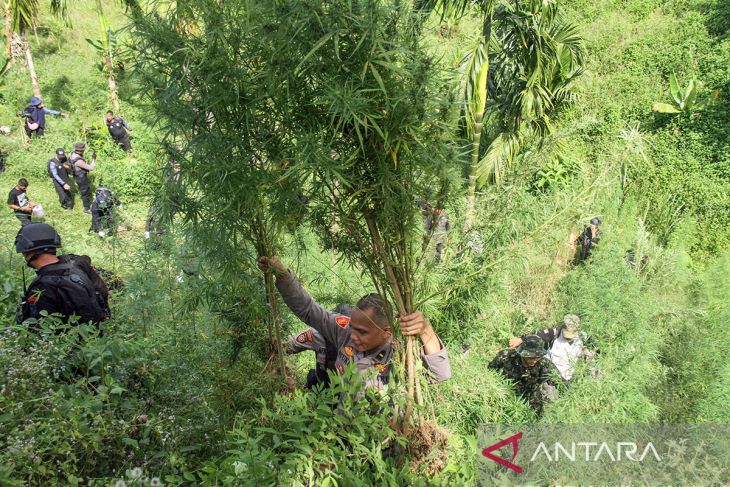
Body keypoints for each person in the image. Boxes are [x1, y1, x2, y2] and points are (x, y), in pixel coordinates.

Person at [258, 256, 451, 393]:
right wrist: (283, 275)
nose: (353, 336)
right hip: (341, 429)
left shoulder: (399, 354)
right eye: (352, 327)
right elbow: (309, 309)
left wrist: (426, 332)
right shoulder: (344, 330)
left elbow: (439, 375)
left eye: (362, 332)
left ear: (386, 332)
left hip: (378, 444)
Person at [15, 223, 109, 328]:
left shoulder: (41, 287)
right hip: (95, 332)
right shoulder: (77, 262)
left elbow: (40, 328)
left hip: (70, 341)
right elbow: (102, 291)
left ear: (27, 252)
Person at [488, 335, 561, 416]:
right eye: (530, 357)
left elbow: (561, 382)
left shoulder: (545, 363)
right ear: (522, 353)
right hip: (506, 394)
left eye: (537, 357)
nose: (534, 360)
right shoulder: (506, 356)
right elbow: (489, 372)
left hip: (532, 398)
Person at [508, 314, 595, 381]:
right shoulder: (555, 333)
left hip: (567, 376)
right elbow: (538, 335)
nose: (568, 338)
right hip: (548, 373)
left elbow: (592, 354)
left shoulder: (584, 338)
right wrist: (521, 339)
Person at [286, 303, 352, 390]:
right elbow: (287, 346)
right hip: (322, 384)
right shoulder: (316, 334)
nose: (340, 333)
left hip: (347, 387)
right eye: (337, 329)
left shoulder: (357, 339)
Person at [69, 143, 96, 214]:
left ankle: (89, 199)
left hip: (77, 176)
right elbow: (91, 167)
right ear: (81, 151)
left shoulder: (71, 154)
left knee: (86, 190)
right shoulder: (79, 161)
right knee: (84, 192)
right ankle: (86, 208)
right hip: (81, 178)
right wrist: (94, 159)